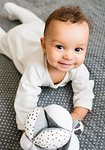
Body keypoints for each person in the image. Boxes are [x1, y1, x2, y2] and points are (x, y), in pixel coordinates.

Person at [0, 2, 94, 135]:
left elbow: (85, 90)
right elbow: (25, 97)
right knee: (2, 41)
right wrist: (26, 129)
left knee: (37, 24)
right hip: (18, 40)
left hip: (37, 29)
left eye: (78, 49)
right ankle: (13, 16)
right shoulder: (35, 67)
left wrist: (77, 115)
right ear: (43, 46)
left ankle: (16, 11)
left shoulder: (77, 67)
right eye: (60, 47)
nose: (68, 56)